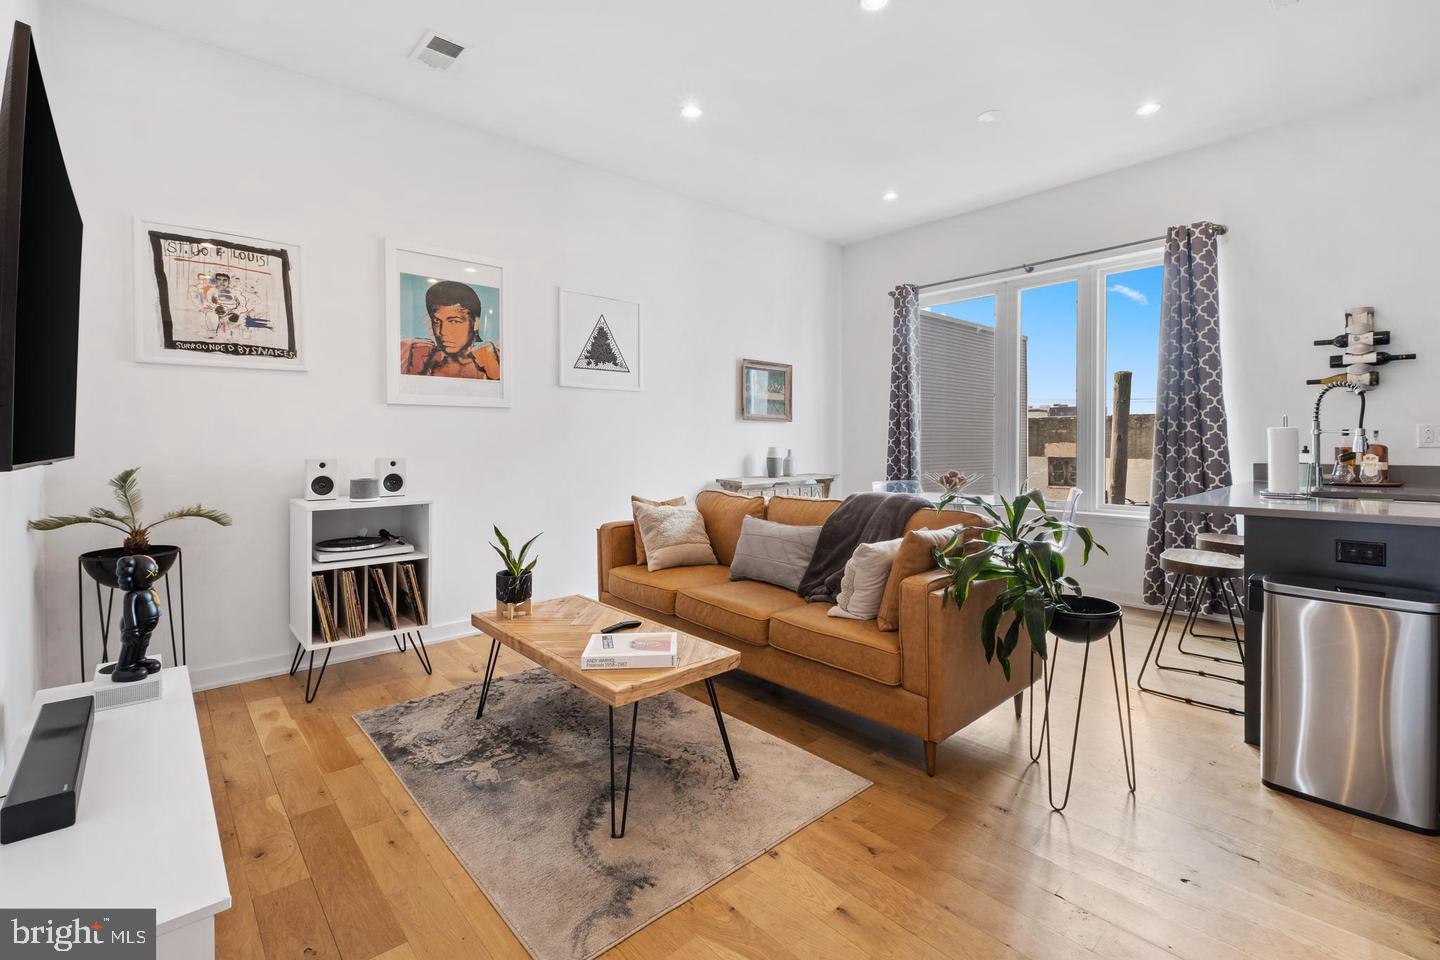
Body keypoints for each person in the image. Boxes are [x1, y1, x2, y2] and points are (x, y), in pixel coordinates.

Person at [400, 280, 501, 379]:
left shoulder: (495, 359)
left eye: (454, 321)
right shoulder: (418, 357)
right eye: (436, 321)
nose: (442, 332)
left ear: (476, 323)